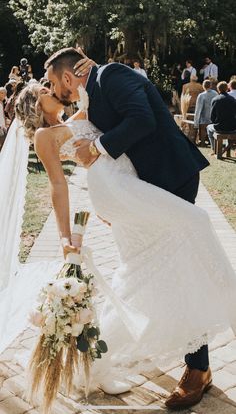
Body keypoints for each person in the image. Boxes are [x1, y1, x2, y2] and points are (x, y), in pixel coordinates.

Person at [1, 71, 236, 409]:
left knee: (158, 266)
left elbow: (117, 129)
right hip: (117, 191)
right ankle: (203, 348)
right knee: (188, 230)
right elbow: (57, 187)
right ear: (38, 103)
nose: (53, 88)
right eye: (46, 89)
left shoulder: (79, 111)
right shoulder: (43, 135)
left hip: (129, 187)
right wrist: (67, 238)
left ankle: (189, 358)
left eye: (51, 83)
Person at [207, 81, 236, 153]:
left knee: (208, 128)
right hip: (232, 127)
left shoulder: (215, 100)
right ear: (227, 89)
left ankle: (214, 150)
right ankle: (225, 150)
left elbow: (212, 117)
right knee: (230, 134)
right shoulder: (233, 99)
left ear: (218, 89)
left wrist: (216, 122)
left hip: (219, 127)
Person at [194, 80, 217, 146]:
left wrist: (196, 122)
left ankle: (203, 142)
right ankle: (211, 142)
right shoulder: (215, 93)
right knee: (212, 130)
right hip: (213, 117)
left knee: (203, 129)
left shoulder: (201, 95)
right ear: (211, 85)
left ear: (203, 86)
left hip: (204, 117)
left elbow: (198, 109)